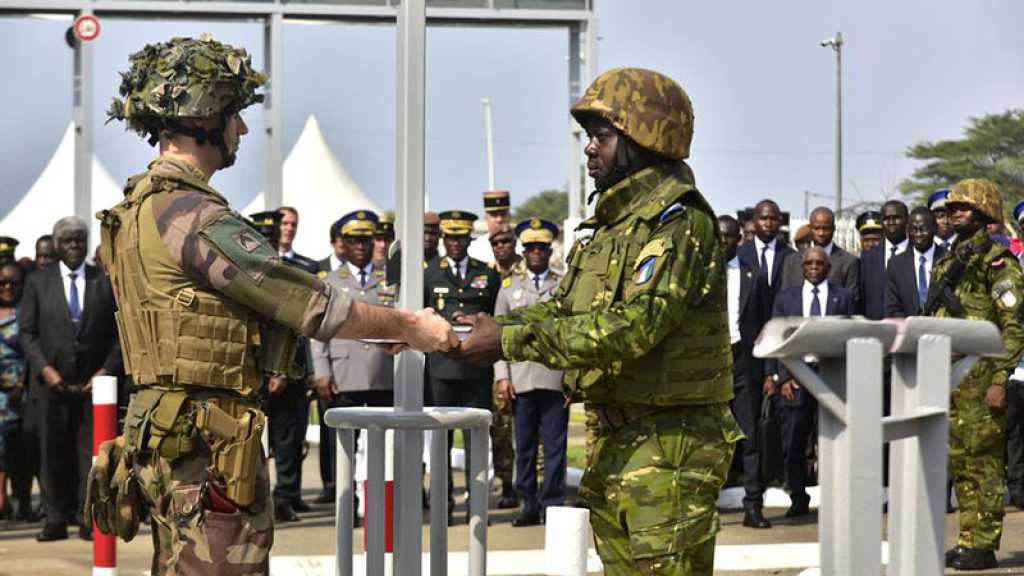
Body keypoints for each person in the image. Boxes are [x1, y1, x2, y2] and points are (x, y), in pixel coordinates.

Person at [90, 35, 455, 575]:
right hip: (208, 447)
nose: (240, 129)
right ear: (205, 117)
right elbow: (309, 303)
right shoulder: (193, 216)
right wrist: (410, 325)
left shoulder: (132, 210)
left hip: (165, 433)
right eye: (234, 115)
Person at [452, 67, 743, 574]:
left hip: (668, 445)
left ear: (643, 140)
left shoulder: (679, 224)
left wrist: (511, 340)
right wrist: (467, 332)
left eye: (602, 137)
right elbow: (566, 308)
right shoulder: (611, 229)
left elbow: (636, 326)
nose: (589, 149)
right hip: (619, 438)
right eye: (590, 137)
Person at [926, 179, 1024, 572]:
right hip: (950, 378)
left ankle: (983, 544)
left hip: (982, 378)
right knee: (960, 462)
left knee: (983, 462)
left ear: (984, 213)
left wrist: (1001, 379)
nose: (954, 215)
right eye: (951, 210)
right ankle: (969, 539)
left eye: (963, 209)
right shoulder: (949, 260)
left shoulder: (997, 261)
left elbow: (1014, 324)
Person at [20, 216, 121, 542]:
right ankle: (54, 519)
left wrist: (105, 370)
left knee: (90, 456)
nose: (74, 245)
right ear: (57, 244)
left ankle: (86, 517)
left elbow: (120, 335)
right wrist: (45, 370)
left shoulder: (102, 280)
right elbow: (27, 333)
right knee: (52, 456)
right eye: (67, 240)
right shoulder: (38, 282)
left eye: (79, 239)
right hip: (51, 388)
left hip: (94, 386)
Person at [311, 210, 396, 527]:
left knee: (383, 446)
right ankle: (346, 506)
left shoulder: (389, 278)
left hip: (382, 373)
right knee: (343, 448)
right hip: (343, 375)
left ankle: (380, 508)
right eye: (353, 240)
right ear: (342, 244)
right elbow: (317, 330)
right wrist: (321, 370)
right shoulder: (329, 282)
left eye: (365, 239)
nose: (360, 245)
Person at [424, 210, 500, 523]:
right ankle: (443, 504)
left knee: (477, 439)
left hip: (476, 369)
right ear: (443, 239)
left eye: (461, 238)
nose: (456, 243)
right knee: (441, 440)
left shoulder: (488, 273)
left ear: (469, 239)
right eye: (450, 237)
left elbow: (494, 318)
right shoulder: (428, 273)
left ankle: (477, 505)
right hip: (441, 369)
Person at [770, 247, 854, 518]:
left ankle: (834, 496)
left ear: (828, 268)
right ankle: (797, 496)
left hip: (830, 375)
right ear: (802, 267)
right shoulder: (786, 299)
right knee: (794, 440)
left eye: (820, 263)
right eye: (809, 263)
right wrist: (782, 377)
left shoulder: (843, 297)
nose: (815, 267)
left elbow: (850, 336)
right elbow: (777, 337)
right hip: (796, 375)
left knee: (833, 439)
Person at [493, 218, 565, 527]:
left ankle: (552, 504)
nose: (536, 253)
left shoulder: (563, 285)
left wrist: (572, 377)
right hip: (520, 378)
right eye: (531, 248)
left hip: (553, 377)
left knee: (555, 446)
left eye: (542, 248)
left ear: (549, 251)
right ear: (524, 252)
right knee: (523, 447)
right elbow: (498, 334)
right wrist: (502, 375)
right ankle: (528, 505)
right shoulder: (510, 287)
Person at [248, 211, 316, 523]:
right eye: (265, 238)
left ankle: (286, 497)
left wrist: (287, 372)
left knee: (288, 441)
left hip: (290, 373)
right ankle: (254, 498)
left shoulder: (289, 274)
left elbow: (298, 329)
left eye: (273, 238)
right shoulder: (242, 276)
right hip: (253, 374)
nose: (270, 244)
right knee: (252, 441)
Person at [718, 215, 772, 528]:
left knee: (750, 437)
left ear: (739, 239)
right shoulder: (702, 273)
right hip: (711, 364)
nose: (723, 241)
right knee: (709, 440)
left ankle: (753, 506)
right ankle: (706, 505)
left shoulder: (754, 274)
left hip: (744, 364)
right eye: (719, 236)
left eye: (729, 237)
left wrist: (767, 371)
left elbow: (764, 324)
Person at [486, 223, 522, 509]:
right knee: (500, 427)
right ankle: (506, 482)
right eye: (496, 243)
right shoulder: (487, 273)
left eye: (506, 242)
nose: (501, 247)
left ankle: (528, 483)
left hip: (521, 361)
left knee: (523, 428)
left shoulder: (528, 271)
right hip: (490, 358)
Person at [780, 207, 859, 296]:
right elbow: (785, 298)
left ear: (833, 229)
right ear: (810, 228)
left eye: (826, 228)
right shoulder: (792, 261)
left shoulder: (849, 262)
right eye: (817, 228)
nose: (821, 233)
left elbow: (852, 299)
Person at [0, 262, 26, 520]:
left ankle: (24, 501)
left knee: (23, 451)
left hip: (23, 392)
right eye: (2, 283)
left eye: (13, 283)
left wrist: (22, 385)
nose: (7, 288)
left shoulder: (26, 312)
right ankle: (2, 499)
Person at [886, 207, 942, 318]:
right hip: (909, 331)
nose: (918, 234)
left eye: (923, 229)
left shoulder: (949, 258)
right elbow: (892, 308)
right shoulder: (896, 264)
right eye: (913, 229)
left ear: (935, 229)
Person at [739, 199, 796, 308]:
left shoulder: (791, 255)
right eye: (763, 219)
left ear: (779, 222)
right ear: (754, 221)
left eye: (773, 219)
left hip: (780, 319)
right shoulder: (740, 254)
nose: (768, 224)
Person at [859, 200, 908, 320]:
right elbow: (862, 298)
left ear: (907, 219)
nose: (891, 223)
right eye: (887, 219)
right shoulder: (867, 257)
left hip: (908, 328)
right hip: (875, 329)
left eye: (896, 218)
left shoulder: (918, 254)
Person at [468, 190, 514, 262]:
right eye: (494, 215)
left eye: (503, 214)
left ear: (510, 216)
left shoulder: (522, 246)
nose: (499, 219)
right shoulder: (474, 249)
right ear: (486, 218)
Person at [276, 206, 318, 271]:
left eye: (293, 225)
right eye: (284, 223)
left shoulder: (310, 266)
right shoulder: (262, 261)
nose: (290, 228)